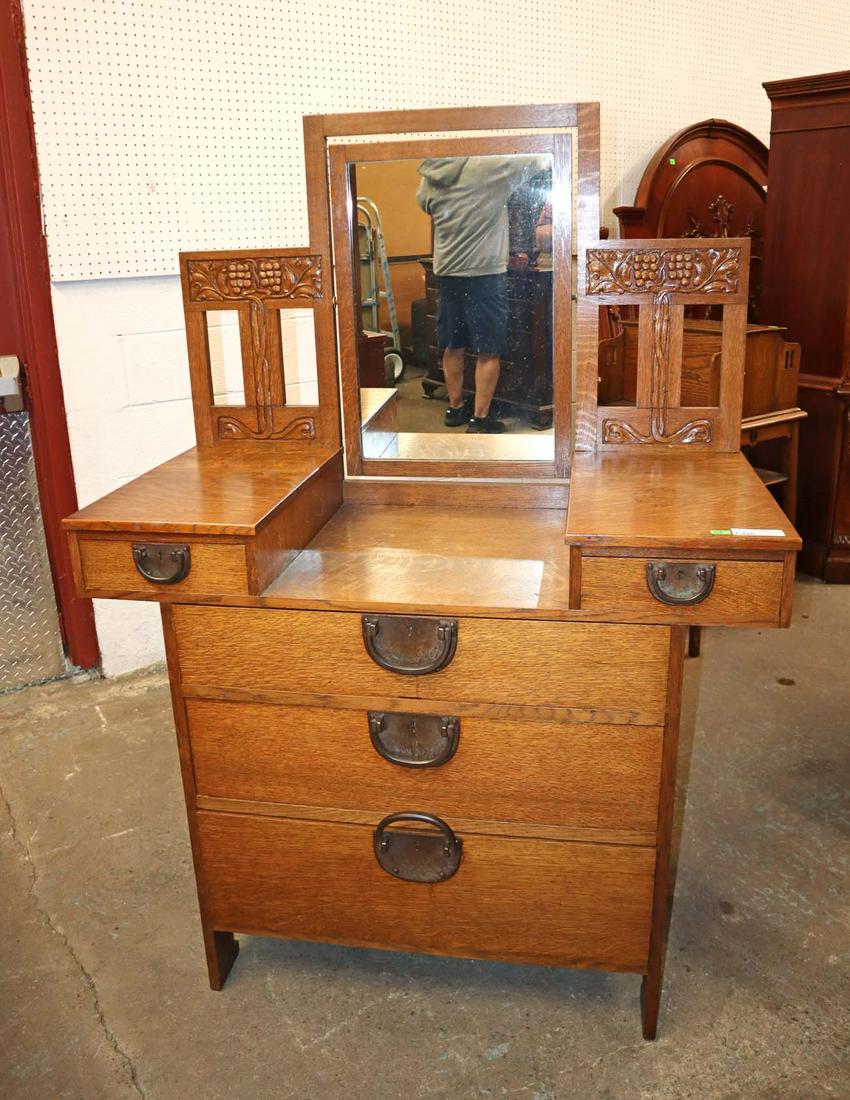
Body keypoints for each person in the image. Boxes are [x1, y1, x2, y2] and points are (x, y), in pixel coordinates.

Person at [417, 155, 549, 433]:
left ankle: (455, 409)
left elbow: (423, 203)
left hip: (447, 270)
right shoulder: (489, 166)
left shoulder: (432, 172)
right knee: (490, 349)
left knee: (453, 345)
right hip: (484, 272)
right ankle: (480, 418)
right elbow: (540, 161)